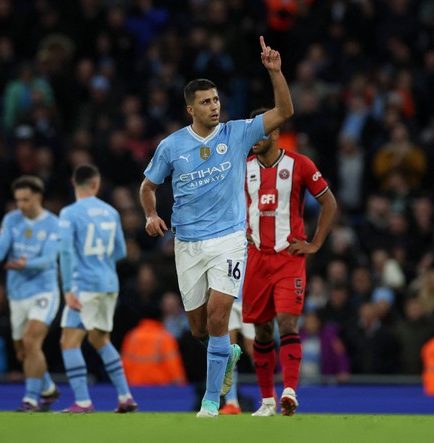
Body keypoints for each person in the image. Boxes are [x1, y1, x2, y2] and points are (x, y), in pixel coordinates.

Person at [140, 36, 294, 418]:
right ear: (190, 108)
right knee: (199, 329)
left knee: (218, 317)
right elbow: (148, 186)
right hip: (187, 243)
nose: (214, 106)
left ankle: (212, 403)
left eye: (216, 100)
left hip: (229, 240)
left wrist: (275, 71)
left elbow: (284, 111)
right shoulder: (172, 146)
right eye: (206, 102)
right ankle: (226, 355)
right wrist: (150, 214)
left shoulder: (237, 133)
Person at [243, 107, 336, 416]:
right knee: (261, 332)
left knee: (287, 323)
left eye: (260, 133)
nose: (254, 139)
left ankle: (291, 392)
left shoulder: (299, 164)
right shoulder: (243, 169)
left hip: (288, 258)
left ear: (275, 132)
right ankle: (267, 400)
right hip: (256, 258)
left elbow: (329, 202)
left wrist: (315, 243)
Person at [0, 175, 61, 411]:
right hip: (17, 293)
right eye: (18, 200)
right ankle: (48, 388)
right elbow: (2, 248)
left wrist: (27, 264)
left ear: (38, 198)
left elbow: (48, 258)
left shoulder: (54, 224)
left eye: (26, 200)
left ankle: (31, 399)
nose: (21, 205)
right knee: (23, 351)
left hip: (44, 290)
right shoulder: (12, 219)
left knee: (31, 340)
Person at [58, 164, 137, 413]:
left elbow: (66, 251)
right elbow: (121, 252)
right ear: (96, 184)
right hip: (108, 283)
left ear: (74, 183)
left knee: (68, 342)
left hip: (84, 285)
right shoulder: (111, 212)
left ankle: (82, 401)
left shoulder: (69, 213)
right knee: (99, 338)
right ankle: (125, 396)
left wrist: (68, 288)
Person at [121, 303, 187, 386]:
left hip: (135, 387)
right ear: (160, 317)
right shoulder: (165, 337)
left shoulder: (132, 336)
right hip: (160, 389)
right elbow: (173, 365)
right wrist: (182, 384)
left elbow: (124, 364)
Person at [219, 298, 255, 415]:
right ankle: (232, 402)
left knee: (255, 352)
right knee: (229, 351)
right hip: (229, 299)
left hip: (250, 300)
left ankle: (268, 396)